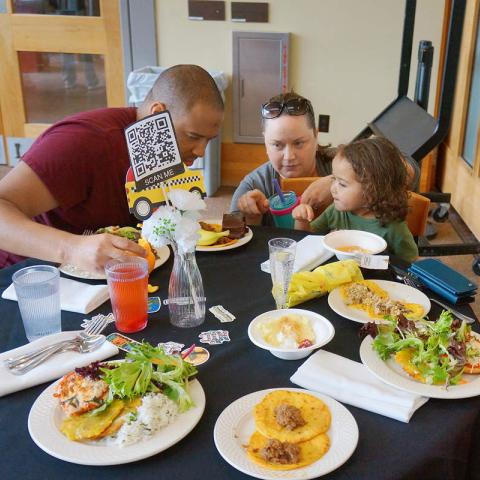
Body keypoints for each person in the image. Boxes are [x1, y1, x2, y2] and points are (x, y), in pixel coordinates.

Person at [0, 64, 224, 272]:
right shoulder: (82, 142)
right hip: (28, 274)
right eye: (193, 136)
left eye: (209, 140)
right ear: (157, 115)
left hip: (112, 274)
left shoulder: (161, 151)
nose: (201, 152)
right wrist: (72, 249)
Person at [292, 136, 418, 262]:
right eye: (333, 179)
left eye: (342, 184)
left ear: (371, 190)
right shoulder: (337, 212)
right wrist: (302, 220)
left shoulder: (394, 228)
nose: (332, 189)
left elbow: (410, 263)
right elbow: (307, 238)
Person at [230, 92, 336, 225]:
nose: (289, 157)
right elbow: (229, 237)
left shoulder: (342, 164)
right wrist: (252, 219)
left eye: (298, 143)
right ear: (265, 143)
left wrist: (337, 183)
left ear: (316, 136)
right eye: (277, 145)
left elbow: (370, 156)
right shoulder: (253, 185)